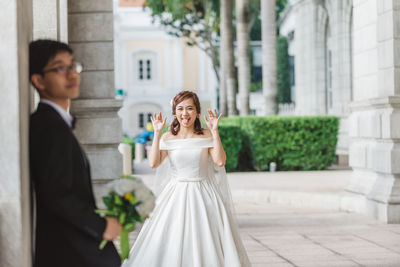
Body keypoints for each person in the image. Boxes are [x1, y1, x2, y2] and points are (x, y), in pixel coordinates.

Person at [122, 91, 251, 267]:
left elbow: (220, 161)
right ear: (174, 112)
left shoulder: (206, 135)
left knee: (207, 239)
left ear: (197, 111)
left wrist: (215, 131)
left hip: (204, 194)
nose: (185, 113)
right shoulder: (168, 137)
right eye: (180, 109)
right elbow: (154, 163)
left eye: (190, 108)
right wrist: (158, 133)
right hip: (175, 195)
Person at [29, 39, 122, 267]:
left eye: (73, 66)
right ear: (38, 80)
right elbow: (56, 194)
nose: (72, 74)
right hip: (67, 252)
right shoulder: (48, 126)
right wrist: (102, 227)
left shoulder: (56, 124)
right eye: (60, 68)